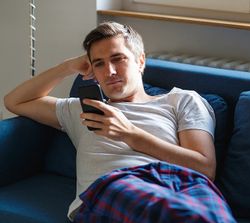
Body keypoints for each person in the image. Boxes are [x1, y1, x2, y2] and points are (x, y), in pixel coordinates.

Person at [4, 22, 235, 222]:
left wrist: (130, 134)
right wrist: (66, 67)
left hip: (185, 184)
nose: (110, 71)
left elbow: (205, 168)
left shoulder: (182, 100)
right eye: (99, 64)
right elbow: (15, 100)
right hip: (114, 185)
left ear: (140, 60)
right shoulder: (83, 109)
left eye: (118, 59)